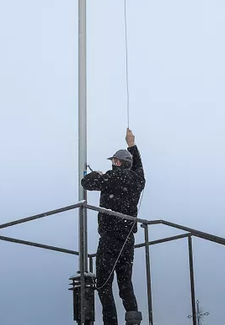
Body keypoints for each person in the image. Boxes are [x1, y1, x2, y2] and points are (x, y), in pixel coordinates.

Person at [81, 128, 145, 325]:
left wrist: (97, 174)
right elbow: (139, 168)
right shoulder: (138, 181)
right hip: (127, 239)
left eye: (114, 161)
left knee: (104, 284)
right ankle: (133, 321)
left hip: (110, 238)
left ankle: (111, 323)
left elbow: (86, 183)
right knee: (125, 284)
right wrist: (132, 145)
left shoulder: (111, 177)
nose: (112, 163)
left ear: (119, 163)